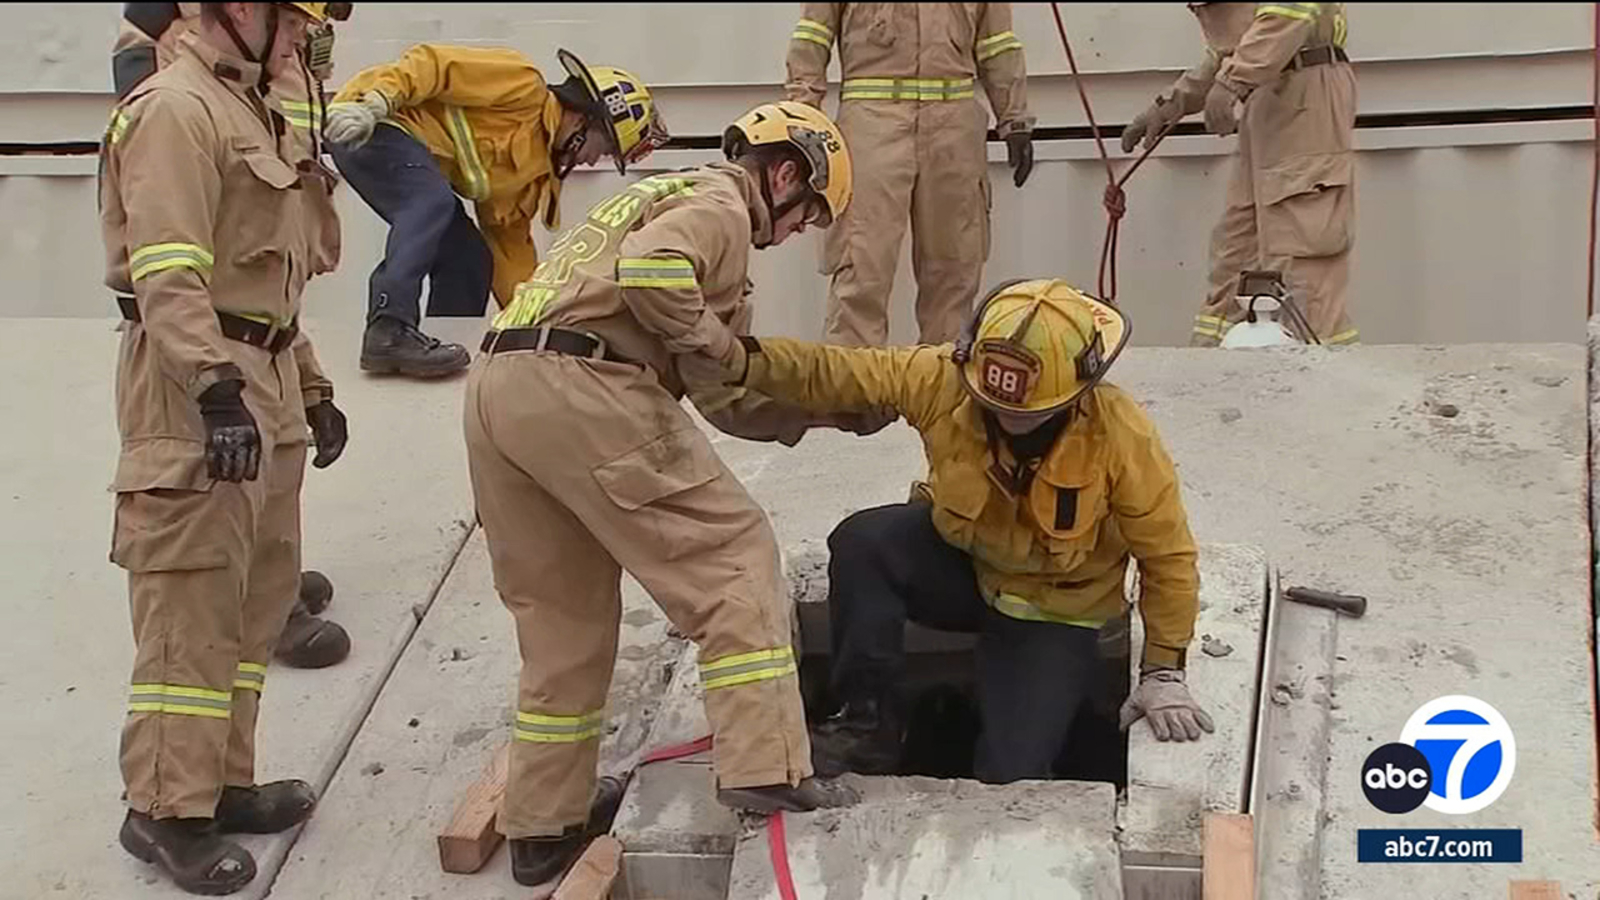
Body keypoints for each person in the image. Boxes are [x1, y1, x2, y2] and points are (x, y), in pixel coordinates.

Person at [463, 100, 883, 888]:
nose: (797, 234)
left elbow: (720, 394)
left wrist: (829, 410)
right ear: (786, 174)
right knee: (732, 554)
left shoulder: (654, 196)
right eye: (808, 216)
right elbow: (657, 278)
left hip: (500, 387)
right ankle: (764, 763)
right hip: (587, 384)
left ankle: (542, 826)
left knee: (564, 620)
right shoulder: (720, 206)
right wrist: (722, 341)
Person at [682, 279, 1214, 784]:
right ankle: (866, 727)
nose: (1008, 421)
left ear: (1076, 393)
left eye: (1028, 415)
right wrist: (738, 358)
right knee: (865, 543)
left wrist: (1163, 671)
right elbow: (837, 372)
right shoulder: (944, 378)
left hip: (1054, 613)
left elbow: (1167, 557)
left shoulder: (1122, 436)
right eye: (994, 407)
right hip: (962, 567)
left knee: (1013, 780)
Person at [99, 3, 351, 893]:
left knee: (254, 602)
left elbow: (265, 274)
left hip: (266, 369)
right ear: (239, 7)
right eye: (291, 21)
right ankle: (164, 810)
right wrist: (212, 387)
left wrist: (310, 386)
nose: (300, 43)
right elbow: (170, 270)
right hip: (195, 376)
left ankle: (219, 783)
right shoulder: (175, 108)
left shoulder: (248, 108)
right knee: (191, 606)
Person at [325, 45, 668, 377]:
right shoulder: (521, 84)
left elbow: (510, 256)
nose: (594, 160)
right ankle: (388, 329)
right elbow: (430, 64)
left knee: (471, 257)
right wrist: (377, 102)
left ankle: (446, 342)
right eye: (605, 147)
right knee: (433, 202)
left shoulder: (531, 177)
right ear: (585, 118)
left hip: (403, 150)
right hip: (369, 121)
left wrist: (536, 329)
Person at [784, 2, 1034, 347]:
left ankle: (942, 385)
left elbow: (997, 41)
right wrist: (802, 116)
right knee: (861, 266)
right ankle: (850, 390)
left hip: (953, 127)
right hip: (872, 124)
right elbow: (814, 33)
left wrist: (1014, 118)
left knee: (954, 268)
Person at [1121, 1, 1357, 347]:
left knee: (1301, 254)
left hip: (1303, 90)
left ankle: (1323, 372)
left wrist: (1233, 81)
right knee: (1237, 253)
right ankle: (1213, 368)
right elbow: (1232, 47)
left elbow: (1289, 12)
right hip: (1267, 89)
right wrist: (1171, 103)